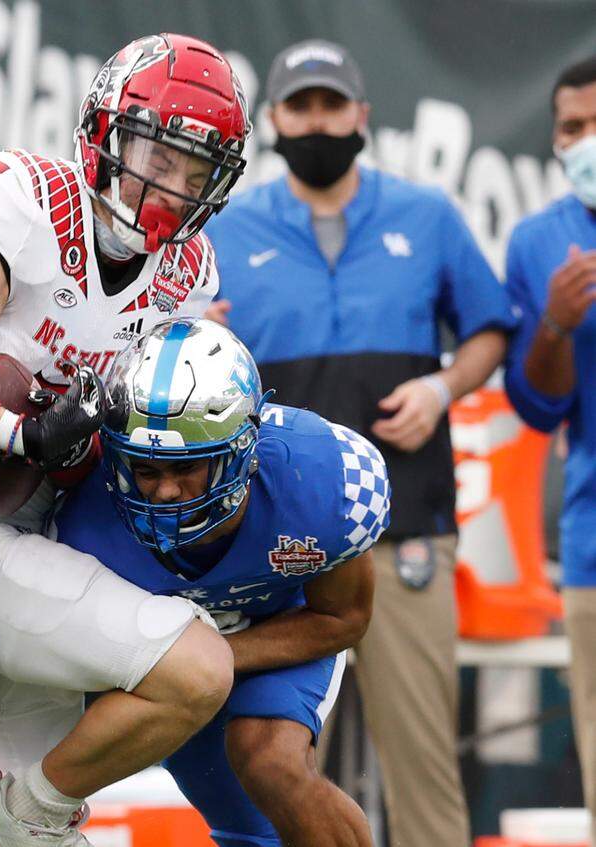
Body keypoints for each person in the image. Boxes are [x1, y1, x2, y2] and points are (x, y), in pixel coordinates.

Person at [0, 33, 249, 846]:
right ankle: (20, 812)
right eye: (158, 152)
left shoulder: (190, 270)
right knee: (196, 671)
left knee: (39, 838)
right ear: (105, 133)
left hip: (47, 531)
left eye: (196, 172)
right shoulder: (26, 198)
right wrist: (21, 430)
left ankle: (22, 816)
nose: (171, 187)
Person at [204, 39, 517, 847]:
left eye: (331, 104)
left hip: (408, 527)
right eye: (300, 106)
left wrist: (443, 386)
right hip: (274, 548)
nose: (317, 121)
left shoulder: (427, 215)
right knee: (266, 766)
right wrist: (193, 331)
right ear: (271, 120)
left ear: (362, 116)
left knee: (423, 772)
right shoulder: (224, 233)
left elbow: (490, 330)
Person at [56, 317, 384, 847]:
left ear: (243, 453)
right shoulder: (77, 514)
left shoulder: (321, 482)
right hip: (148, 662)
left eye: (188, 468)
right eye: (145, 468)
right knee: (246, 828)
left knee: (270, 759)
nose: (165, 491)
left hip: (280, 630)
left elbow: (343, 618)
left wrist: (206, 657)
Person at [503, 54, 596, 846]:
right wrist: (557, 327)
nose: (587, 141)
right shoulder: (539, 242)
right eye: (573, 127)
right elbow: (538, 404)